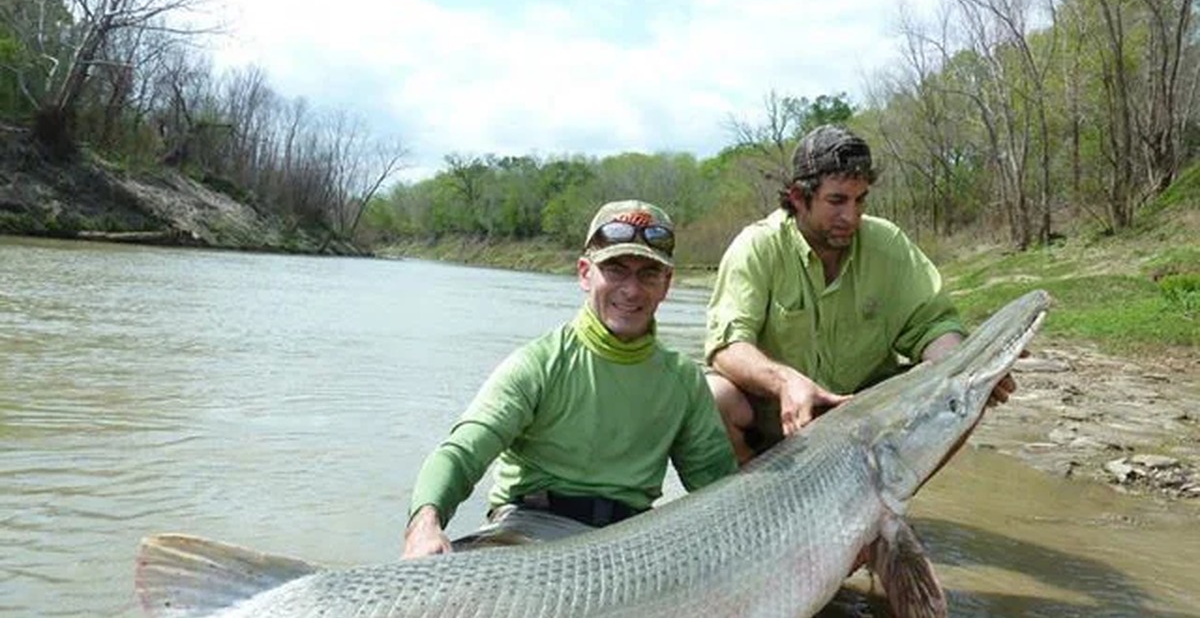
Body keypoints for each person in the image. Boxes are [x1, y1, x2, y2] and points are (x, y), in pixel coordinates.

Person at [403, 200, 738, 559]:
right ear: (584, 273)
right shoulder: (538, 364)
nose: (632, 289)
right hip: (528, 530)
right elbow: (462, 453)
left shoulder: (684, 379)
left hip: (635, 539)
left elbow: (720, 488)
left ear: (667, 284)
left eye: (648, 274)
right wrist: (424, 524)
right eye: (616, 269)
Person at [704, 124, 1017, 463]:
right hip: (779, 420)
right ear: (798, 198)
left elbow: (933, 325)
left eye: (860, 199)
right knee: (714, 396)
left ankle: (883, 506)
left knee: (965, 391)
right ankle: (759, 502)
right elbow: (727, 348)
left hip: (862, 424)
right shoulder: (757, 246)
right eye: (836, 201)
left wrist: (963, 369)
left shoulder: (887, 244)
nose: (851, 216)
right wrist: (785, 382)